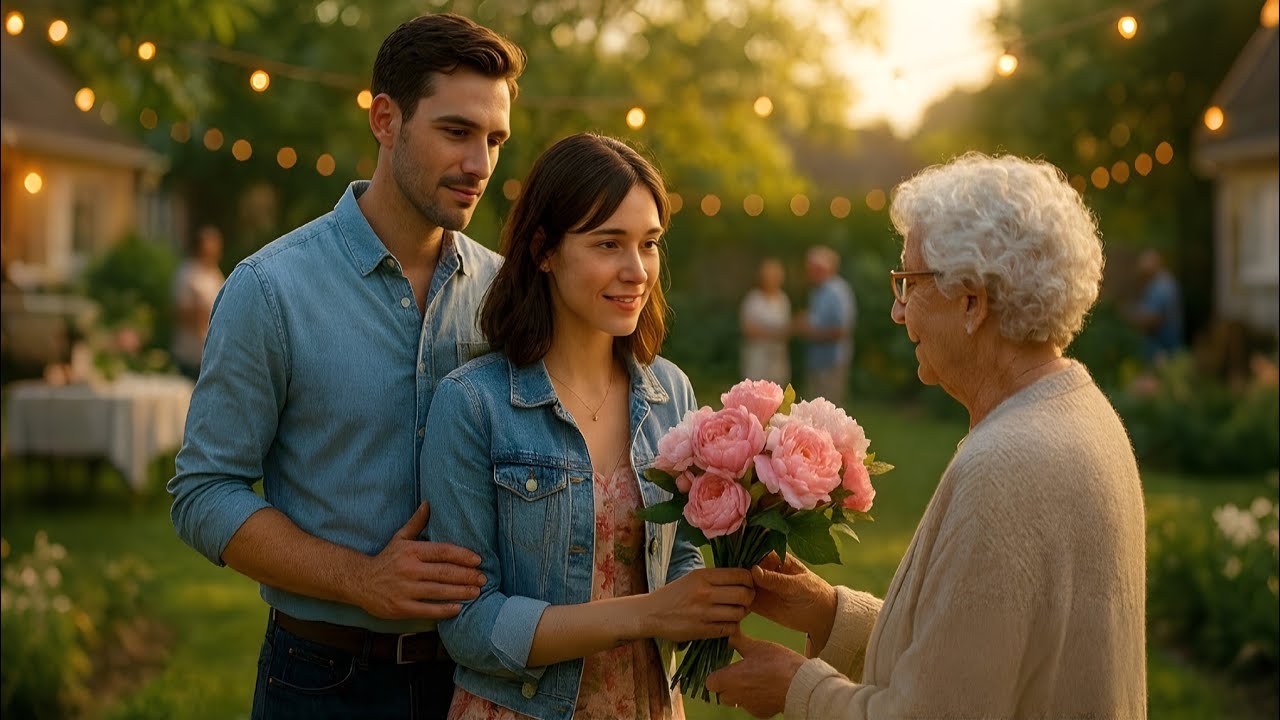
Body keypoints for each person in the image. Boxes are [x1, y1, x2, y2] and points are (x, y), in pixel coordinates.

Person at [167, 14, 525, 720]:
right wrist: (360, 579)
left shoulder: (508, 295)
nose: (480, 164)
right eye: (456, 132)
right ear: (385, 120)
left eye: (494, 140)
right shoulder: (270, 290)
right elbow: (204, 492)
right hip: (322, 682)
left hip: (481, 679)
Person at [704, 152, 1147, 719]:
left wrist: (797, 687)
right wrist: (829, 615)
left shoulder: (1008, 465)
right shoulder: (1078, 412)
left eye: (908, 282)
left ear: (971, 302)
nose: (896, 310)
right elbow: (974, 651)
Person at [421, 133, 756, 720]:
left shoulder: (668, 392)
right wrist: (651, 613)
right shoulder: (474, 404)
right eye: (609, 244)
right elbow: (469, 627)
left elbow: (678, 563)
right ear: (544, 250)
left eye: (649, 245)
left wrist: (728, 575)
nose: (636, 271)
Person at [794, 245, 854, 405]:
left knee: (829, 411)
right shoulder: (818, 291)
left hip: (831, 362)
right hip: (817, 360)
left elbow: (841, 331)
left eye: (813, 268)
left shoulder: (837, 291)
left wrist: (809, 331)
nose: (809, 272)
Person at [170, 224, 226, 379]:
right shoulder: (187, 273)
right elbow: (179, 312)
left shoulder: (215, 274)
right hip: (190, 353)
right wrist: (201, 314)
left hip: (212, 353)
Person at [739, 257, 792, 386]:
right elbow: (747, 329)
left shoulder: (783, 299)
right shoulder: (753, 299)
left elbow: (788, 328)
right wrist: (775, 333)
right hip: (757, 360)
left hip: (777, 361)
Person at [1127, 248, 1184, 366]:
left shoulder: (1161, 287)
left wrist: (1130, 316)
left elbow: (1152, 319)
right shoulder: (1163, 282)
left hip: (1163, 352)